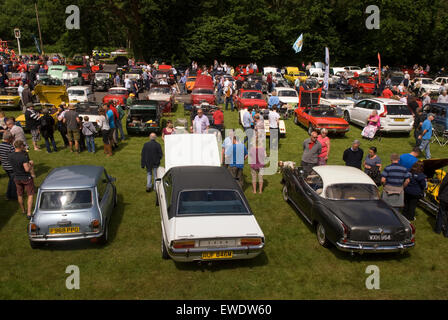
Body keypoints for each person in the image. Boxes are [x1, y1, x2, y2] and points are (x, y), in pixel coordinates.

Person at [8, 140, 36, 219]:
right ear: (20, 146)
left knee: (20, 194)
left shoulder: (10, 156)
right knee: (30, 194)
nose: (24, 147)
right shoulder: (23, 156)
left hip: (16, 177)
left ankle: (23, 210)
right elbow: (27, 169)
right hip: (26, 178)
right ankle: (29, 213)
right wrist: (31, 164)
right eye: (23, 145)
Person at [0, 131, 17, 200]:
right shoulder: (10, 147)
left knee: (11, 180)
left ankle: (8, 195)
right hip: (11, 166)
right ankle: (12, 196)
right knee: (13, 181)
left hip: (5, 166)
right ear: (9, 138)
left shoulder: (0, 145)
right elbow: (14, 157)